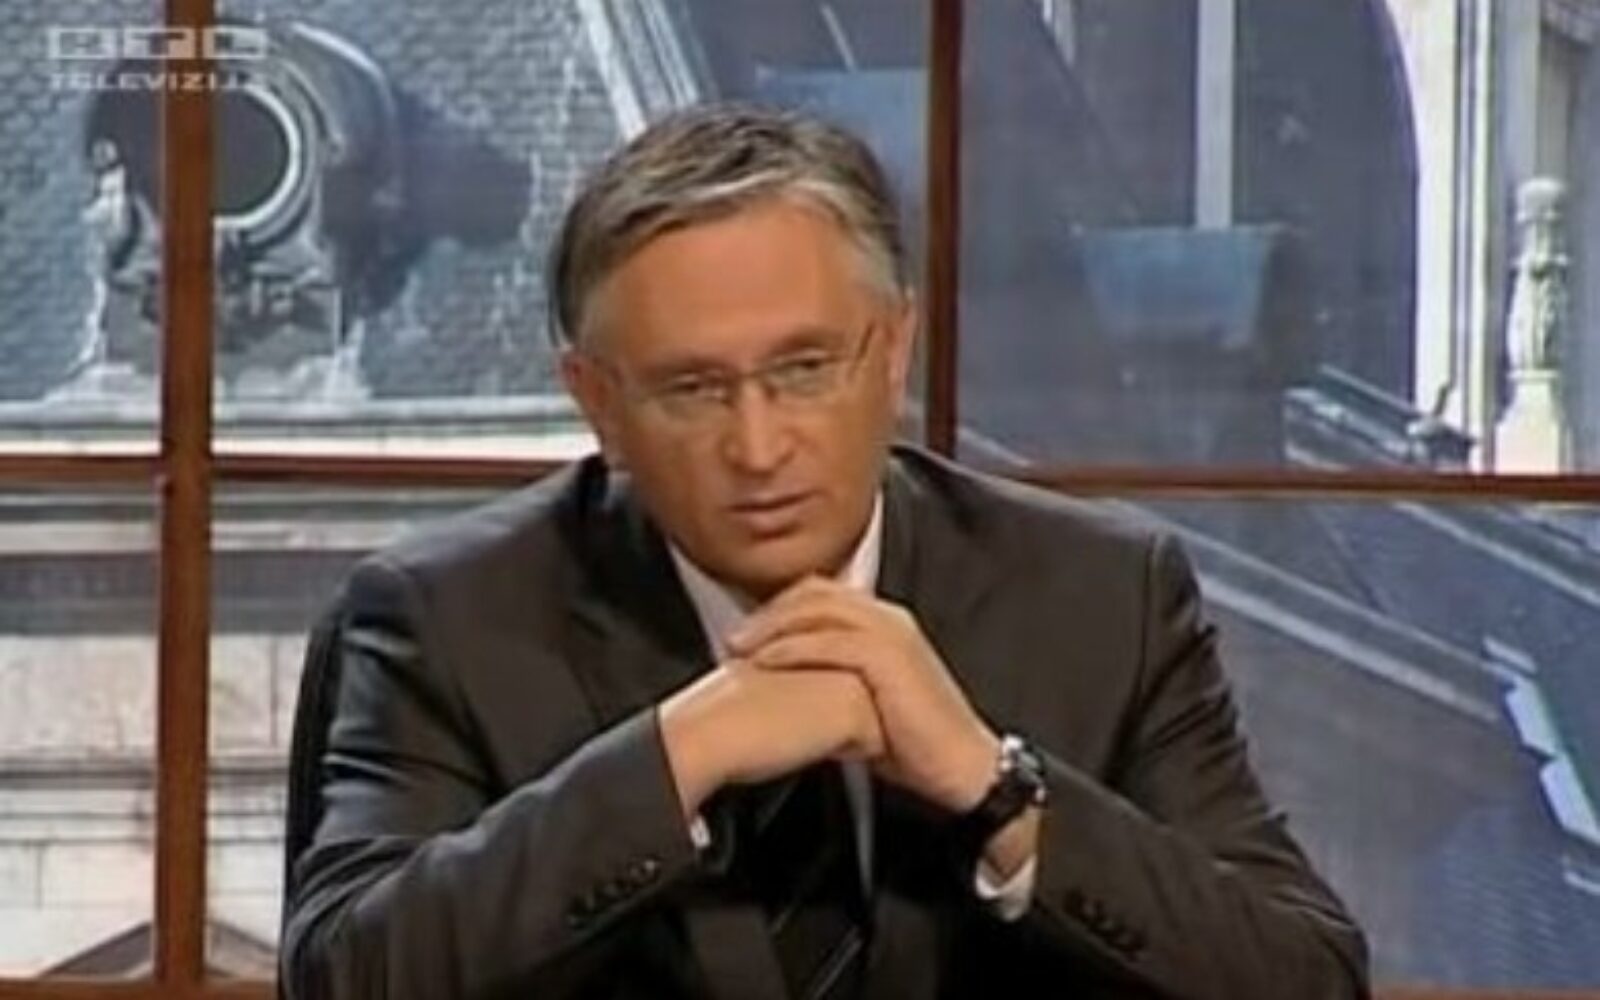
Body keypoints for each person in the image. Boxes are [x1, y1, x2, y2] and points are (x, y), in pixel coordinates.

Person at [280, 103, 1369, 999]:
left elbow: (1307, 977)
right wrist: (675, 756)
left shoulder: (1099, 600)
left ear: (892, 350)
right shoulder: (450, 621)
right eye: (692, 388)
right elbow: (343, 975)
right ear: (597, 401)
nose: (759, 447)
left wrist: (993, 789)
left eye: (803, 370)